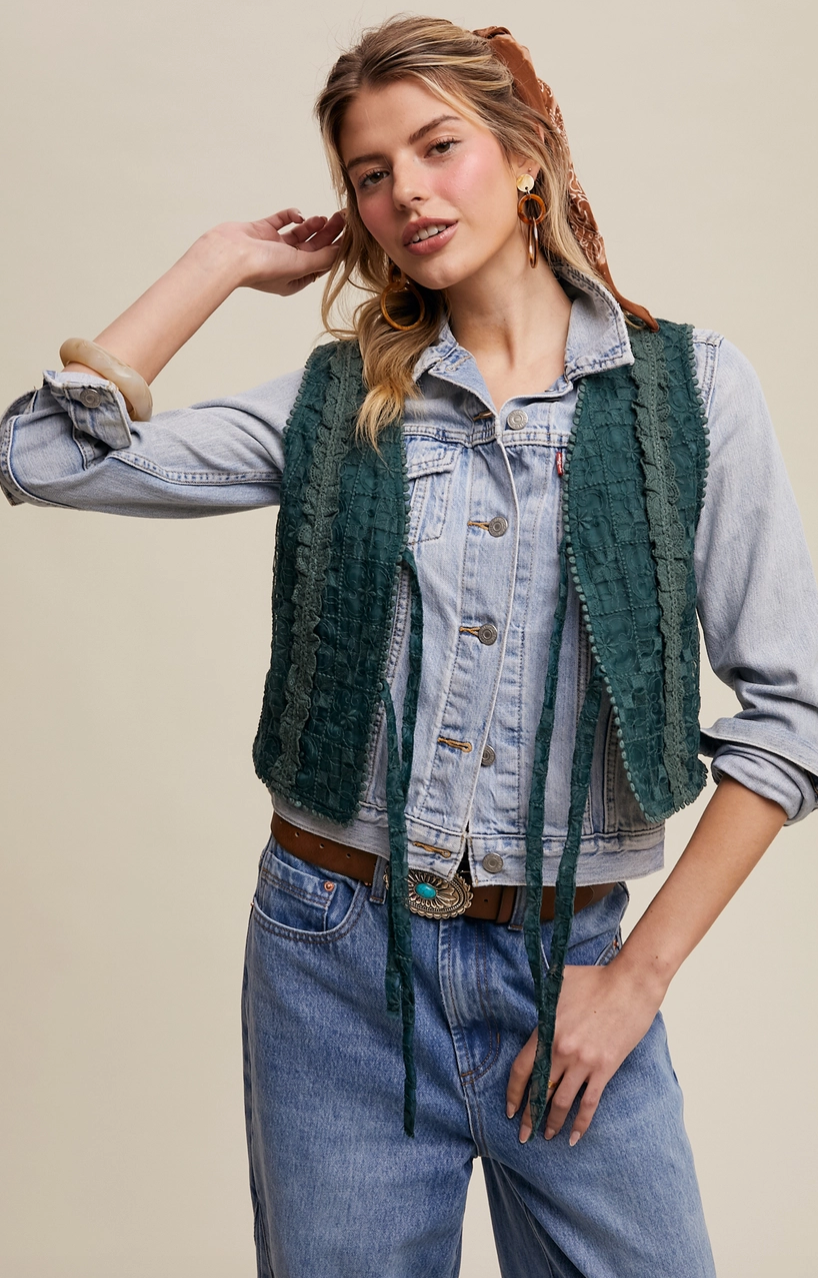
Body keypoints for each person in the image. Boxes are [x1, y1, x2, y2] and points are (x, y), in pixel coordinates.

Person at [2, 14, 817, 1278]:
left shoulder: (687, 395)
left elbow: (791, 713)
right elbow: (43, 457)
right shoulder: (339, 405)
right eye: (370, 174)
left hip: (567, 963)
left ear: (525, 153)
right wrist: (219, 261)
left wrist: (635, 979)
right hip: (331, 962)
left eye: (439, 147)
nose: (407, 195)